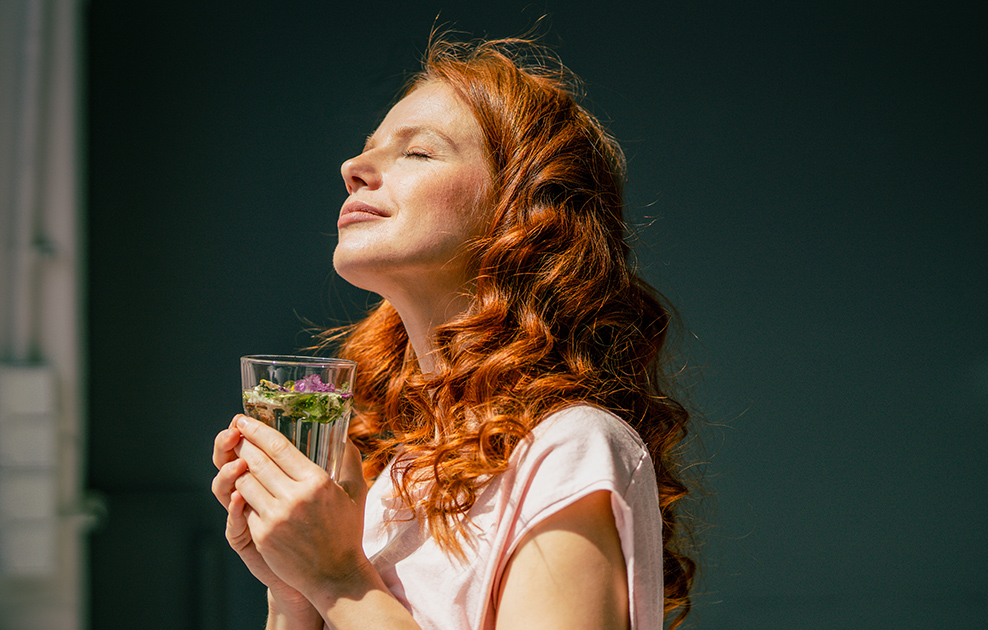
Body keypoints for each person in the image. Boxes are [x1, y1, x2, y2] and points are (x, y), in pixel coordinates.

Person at [212, 36, 696, 630]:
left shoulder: (569, 451)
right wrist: (293, 589)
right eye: (367, 151)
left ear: (521, 212)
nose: (352, 169)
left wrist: (338, 579)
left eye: (417, 153)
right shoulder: (388, 484)